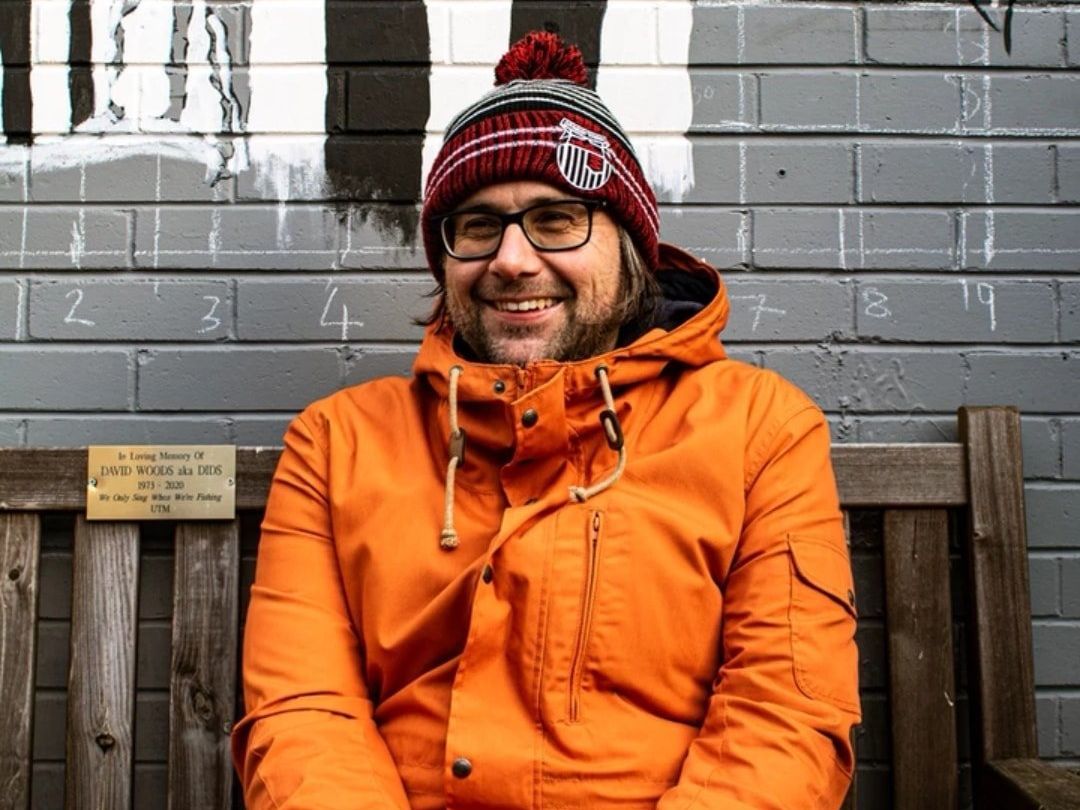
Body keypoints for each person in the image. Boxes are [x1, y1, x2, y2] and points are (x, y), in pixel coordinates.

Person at [232, 31, 860, 810]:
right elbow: (303, 714)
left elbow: (784, 721)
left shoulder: (760, 430)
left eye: (557, 220)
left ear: (630, 244)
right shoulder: (337, 445)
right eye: (476, 225)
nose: (512, 260)